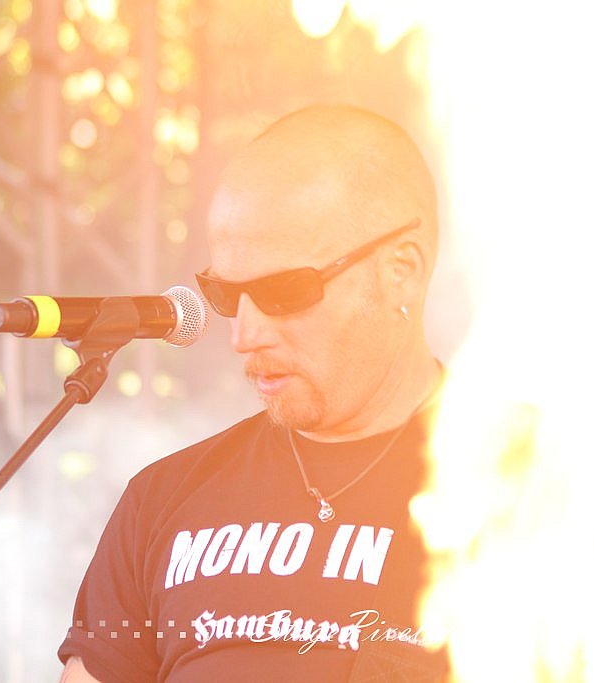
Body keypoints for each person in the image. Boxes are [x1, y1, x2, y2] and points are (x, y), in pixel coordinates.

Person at [58, 104, 448, 682]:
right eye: (226, 295)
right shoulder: (162, 499)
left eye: (284, 291)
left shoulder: (530, 487)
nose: (244, 335)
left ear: (401, 272)